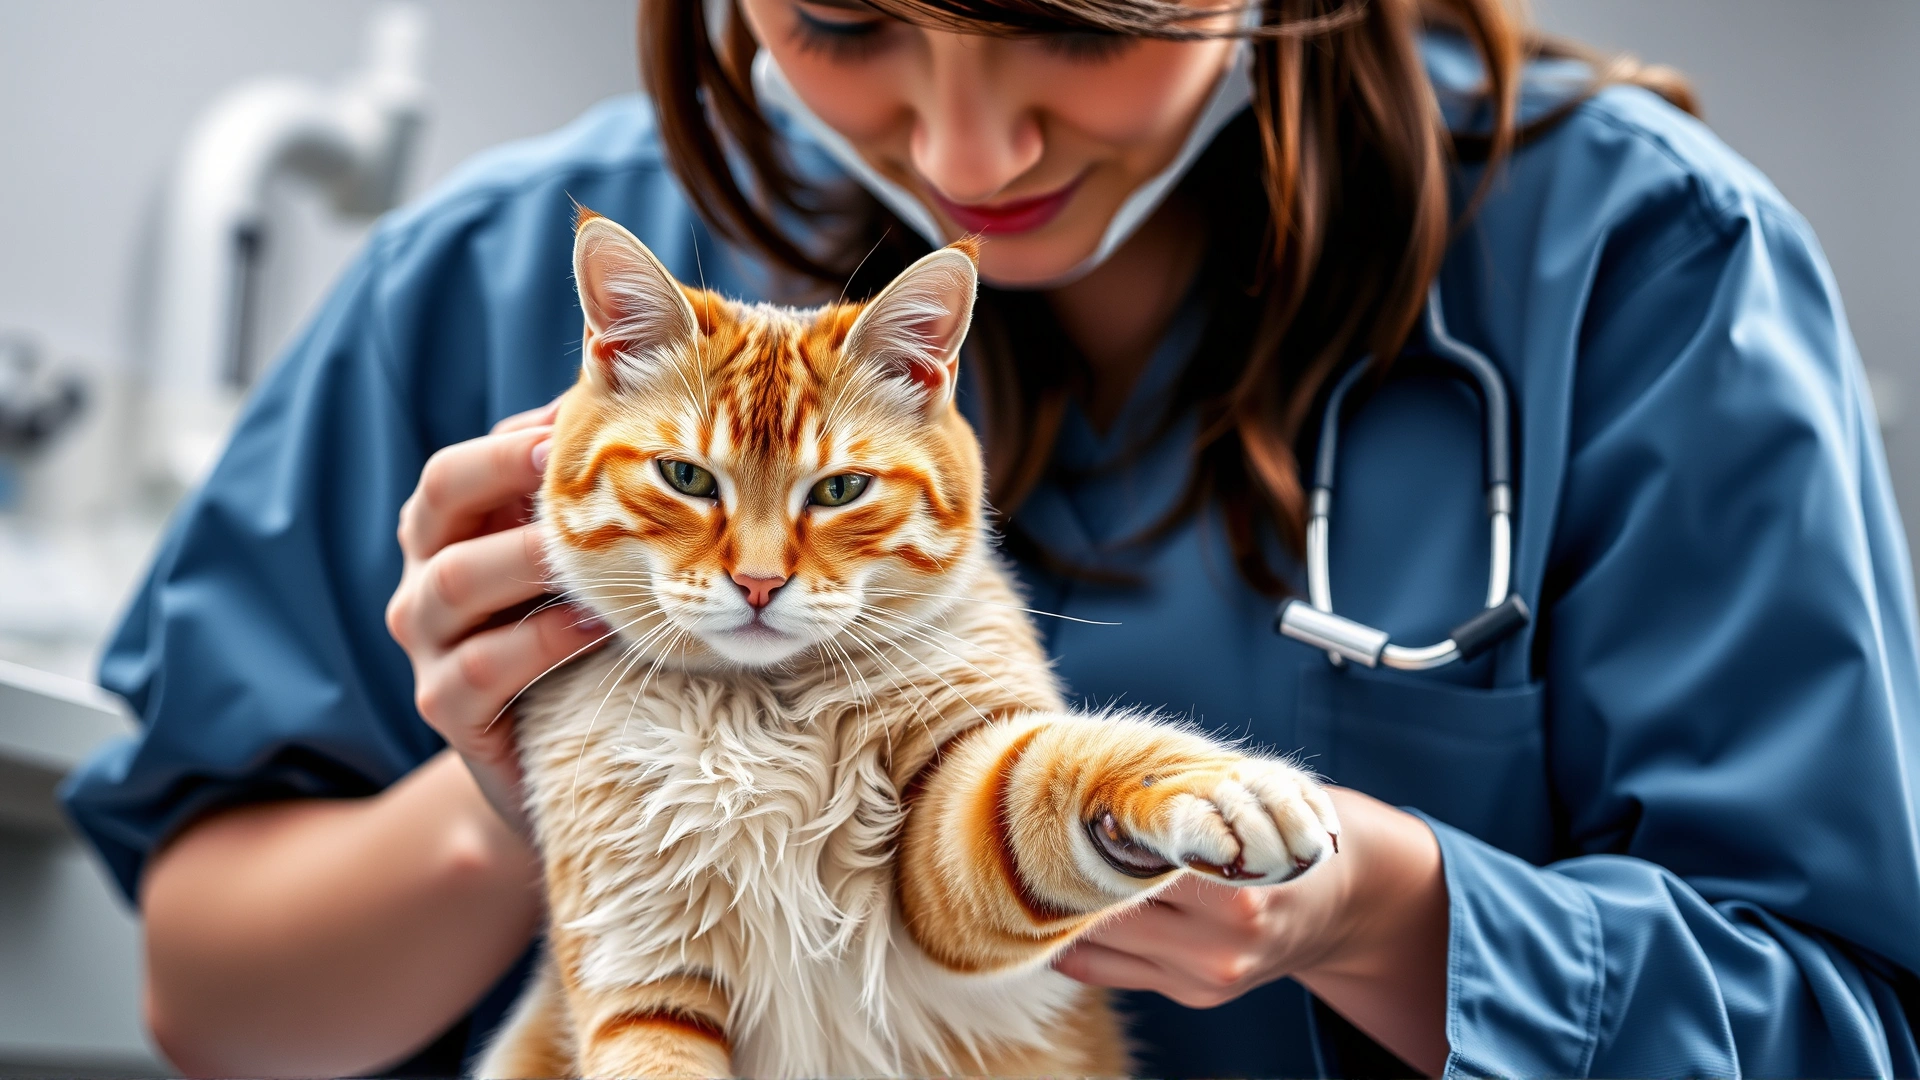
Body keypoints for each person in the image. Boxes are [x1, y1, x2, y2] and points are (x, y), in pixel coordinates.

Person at [61, 0, 1920, 1076]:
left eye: (1067, 14)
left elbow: (1843, 1024)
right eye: (847, 20)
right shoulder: (506, 275)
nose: (970, 143)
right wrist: (511, 792)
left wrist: (1373, 909)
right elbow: (215, 1002)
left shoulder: (1638, 265)